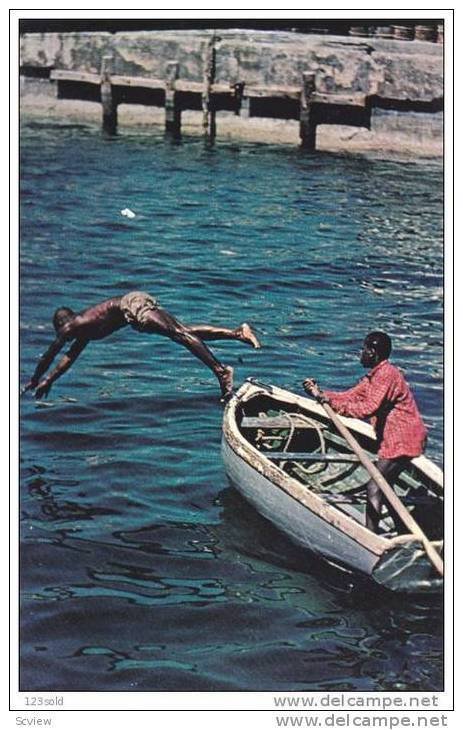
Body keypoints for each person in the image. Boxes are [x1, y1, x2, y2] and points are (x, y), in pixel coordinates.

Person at [22, 291, 261, 401]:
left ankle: (221, 371)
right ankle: (237, 333)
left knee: (179, 334)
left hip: (131, 305)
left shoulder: (71, 325)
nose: (64, 337)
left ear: (62, 323)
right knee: (184, 332)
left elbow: (51, 354)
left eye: (61, 332)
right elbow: (68, 358)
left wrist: (35, 379)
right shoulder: (85, 332)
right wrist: (50, 380)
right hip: (132, 314)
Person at [302, 331, 428, 533]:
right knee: (386, 488)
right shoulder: (374, 376)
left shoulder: (386, 375)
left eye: (364, 350)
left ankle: (370, 536)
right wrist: (321, 394)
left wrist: (332, 404)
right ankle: (404, 530)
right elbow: (349, 396)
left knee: (374, 487)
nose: (361, 354)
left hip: (402, 439)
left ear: (373, 353)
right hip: (395, 439)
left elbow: (368, 407)